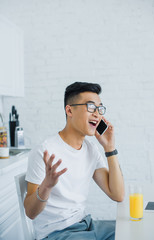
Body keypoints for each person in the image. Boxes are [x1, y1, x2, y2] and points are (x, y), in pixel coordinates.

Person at [24, 82, 125, 240]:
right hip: (58, 233)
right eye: (91, 107)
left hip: (86, 224)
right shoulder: (44, 151)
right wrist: (46, 186)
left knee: (130, 232)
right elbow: (30, 212)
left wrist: (109, 147)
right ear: (69, 110)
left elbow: (117, 195)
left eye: (99, 108)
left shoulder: (91, 150)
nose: (97, 114)